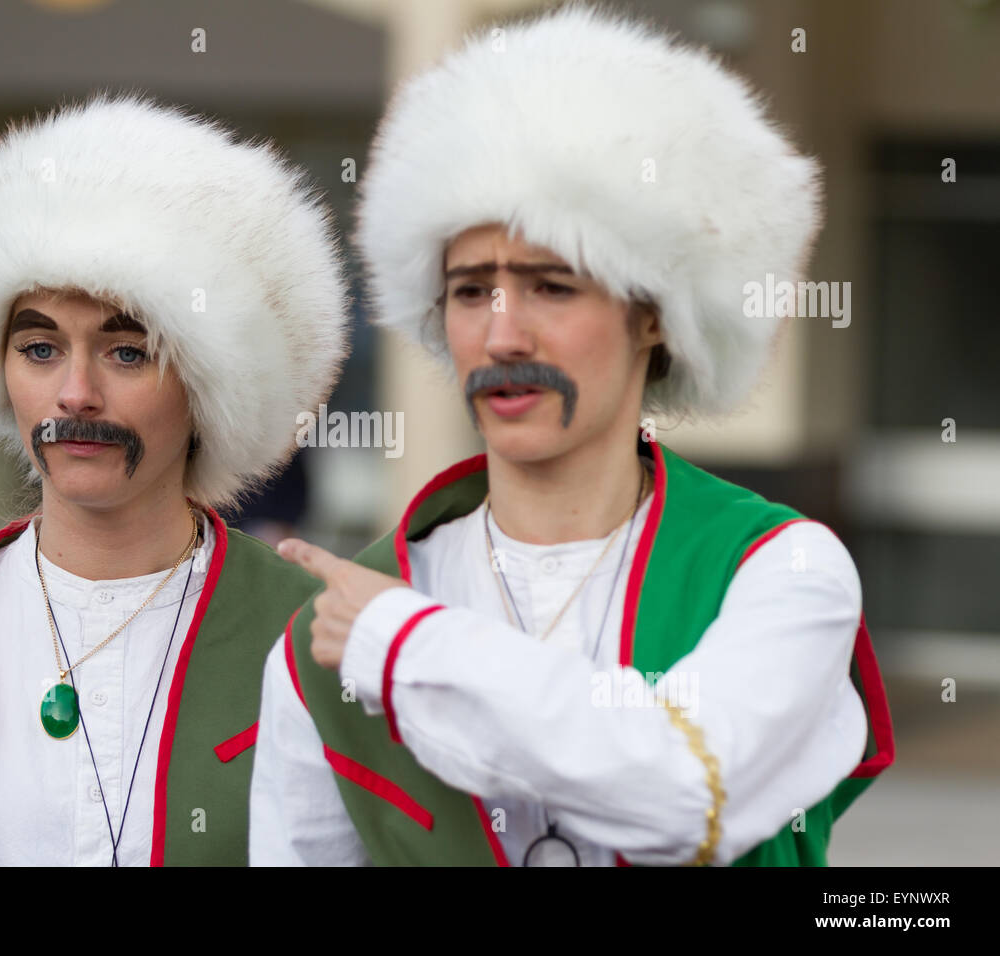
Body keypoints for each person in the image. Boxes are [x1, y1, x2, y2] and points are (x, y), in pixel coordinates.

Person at [250, 5, 894, 866]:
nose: (503, 334)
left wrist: (407, 647)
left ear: (656, 316)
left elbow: (687, 796)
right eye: (472, 291)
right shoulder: (329, 630)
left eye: (552, 285)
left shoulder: (782, 569)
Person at [0, 92, 349, 866]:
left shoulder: (319, 639)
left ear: (209, 383)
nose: (75, 393)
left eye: (127, 351)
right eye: (39, 348)